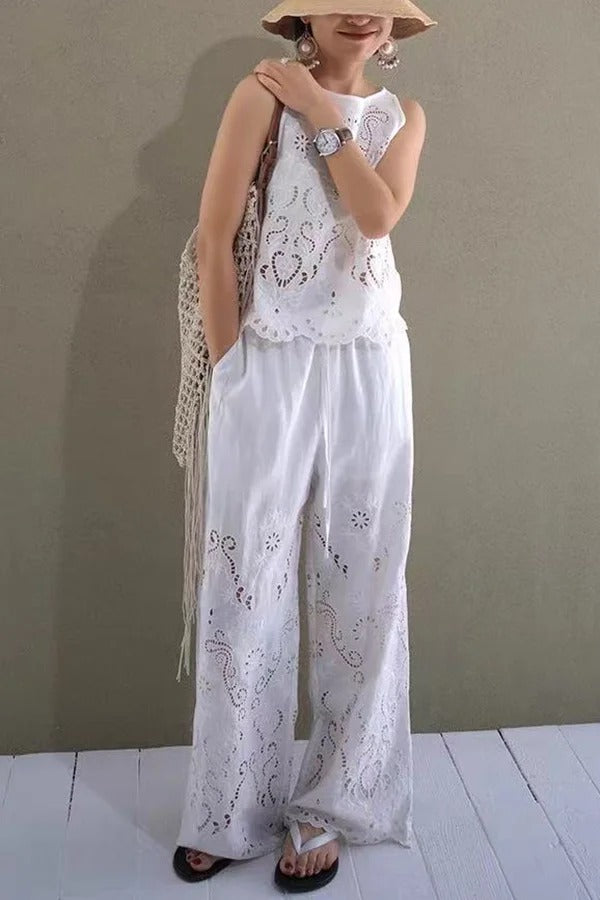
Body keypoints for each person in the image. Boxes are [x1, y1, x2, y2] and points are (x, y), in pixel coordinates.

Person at [172, 0, 437, 892]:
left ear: (394, 28)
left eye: (378, 4)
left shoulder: (403, 117)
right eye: (340, 0)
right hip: (271, 362)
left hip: (370, 367)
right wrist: (231, 368)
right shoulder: (259, 96)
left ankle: (333, 802)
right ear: (305, 18)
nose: (360, 14)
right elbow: (214, 238)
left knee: (365, 583)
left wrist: (325, 113)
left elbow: (377, 216)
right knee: (243, 580)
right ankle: (228, 805)